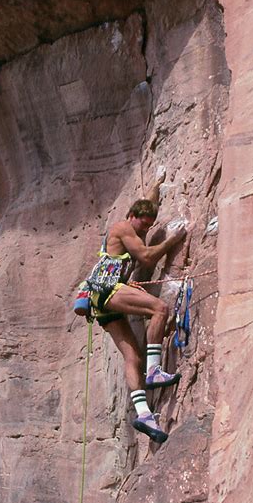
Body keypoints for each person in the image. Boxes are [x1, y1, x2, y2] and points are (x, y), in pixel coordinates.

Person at [85, 179, 186, 444]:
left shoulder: (134, 225)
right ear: (132, 216)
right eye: (144, 224)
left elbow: (148, 202)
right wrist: (173, 240)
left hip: (100, 300)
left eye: (150, 226)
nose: (147, 229)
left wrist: (157, 184)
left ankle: (143, 414)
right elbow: (148, 258)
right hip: (108, 289)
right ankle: (155, 371)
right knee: (160, 309)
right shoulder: (122, 228)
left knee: (133, 356)